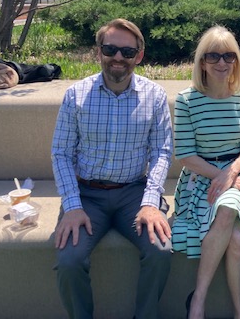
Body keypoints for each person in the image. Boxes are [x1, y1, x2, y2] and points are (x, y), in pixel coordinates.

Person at [51, 18, 173, 319]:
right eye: (110, 49)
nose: (118, 57)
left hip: (134, 192)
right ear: (98, 52)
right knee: (68, 260)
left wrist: (150, 202)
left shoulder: (154, 96)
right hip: (86, 195)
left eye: (127, 52)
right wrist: (72, 206)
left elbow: (161, 152)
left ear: (139, 56)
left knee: (160, 250)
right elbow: (61, 153)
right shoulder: (76, 95)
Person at [172, 25, 240, 319]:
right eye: (213, 56)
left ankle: (228, 310)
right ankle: (204, 303)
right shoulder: (187, 100)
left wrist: (232, 174)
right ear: (202, 62)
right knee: (233, 230)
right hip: (202, 179)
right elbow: (185, 154)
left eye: (229, 56)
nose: (222, 63)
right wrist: (221, 177)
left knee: (237, 235)